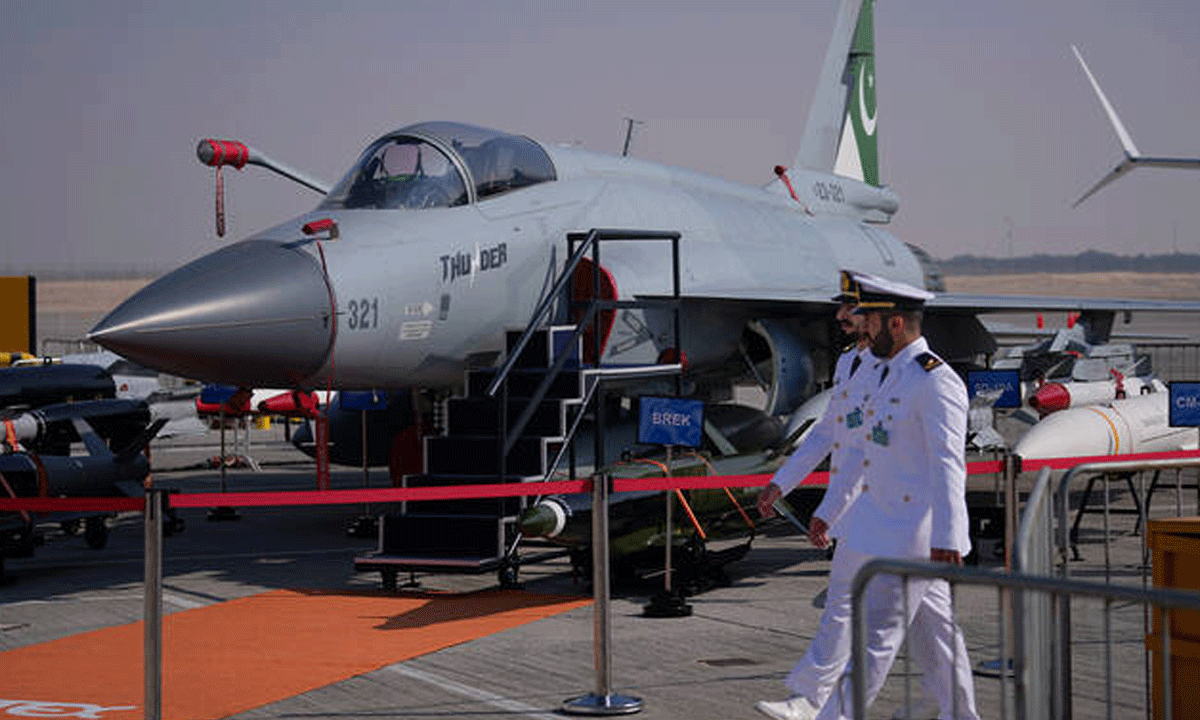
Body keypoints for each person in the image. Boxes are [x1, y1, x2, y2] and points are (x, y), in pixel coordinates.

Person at [753, 271, 956, 720]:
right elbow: (838, 436)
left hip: (905, 523)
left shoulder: (925, 376)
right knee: (933, 628)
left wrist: (949, 537)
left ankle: (821, 706)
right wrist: (793, 487)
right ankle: (957, 711)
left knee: (873, 627)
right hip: (868, 511)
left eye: (856, 310)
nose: (845, 318)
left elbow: (945, 464)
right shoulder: (861, 365)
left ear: (887, 320)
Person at [810, 273, 979, 720]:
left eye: (869, 320)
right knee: (937, 637)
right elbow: (862, 449)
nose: (861, 327)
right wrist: (833, 509)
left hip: (914, 534)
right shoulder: (886, 373)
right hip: (884, 524)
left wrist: (949, 538)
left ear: (896, 324)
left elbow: (948, 464)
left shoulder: (934, 381)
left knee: (875, 640)